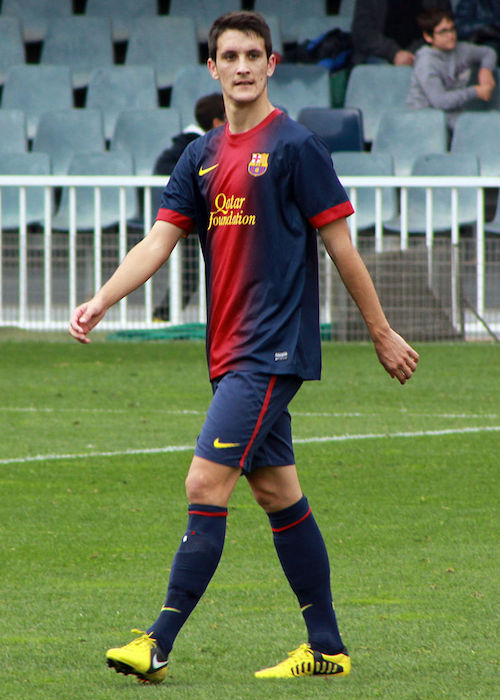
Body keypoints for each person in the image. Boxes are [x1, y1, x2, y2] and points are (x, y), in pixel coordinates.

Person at [69, 10, 419, 686]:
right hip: (229, 352)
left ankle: (158, 641)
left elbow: (341, 247)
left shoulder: (294, 146)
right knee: (276, 492)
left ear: (271, 63)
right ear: (212, 66)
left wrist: (381, 331)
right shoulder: (200, 155)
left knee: (205, 482)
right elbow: (158, 242)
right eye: (229, 55)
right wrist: (102, 299)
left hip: (271, 350)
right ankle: (327, 645)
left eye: (253, 54)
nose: (242, 66)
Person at [152, 93, 225, 321]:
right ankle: (162, 318)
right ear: (216, 122)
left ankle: (163, 317)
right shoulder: (191, 147)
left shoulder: (191, 144)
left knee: (192, 275)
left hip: (202, 222)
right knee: (190, 275)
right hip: (190, 223)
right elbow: (165, 172)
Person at [405, 8, 497, 131]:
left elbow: (488, 52)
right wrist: (475, 91)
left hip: (454, 118)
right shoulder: (426, 62)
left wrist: (485, 70)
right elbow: (440, 101)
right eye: (443, 32)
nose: (451, 35)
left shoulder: (462, 49)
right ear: (428, 37)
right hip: (424, 121)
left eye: (452, 29)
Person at [351, 0, 452, 66]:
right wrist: (393, 53)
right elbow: (362, 32)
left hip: (424, 53)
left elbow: (443, 27)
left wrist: (412, 53)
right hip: (379, 55)